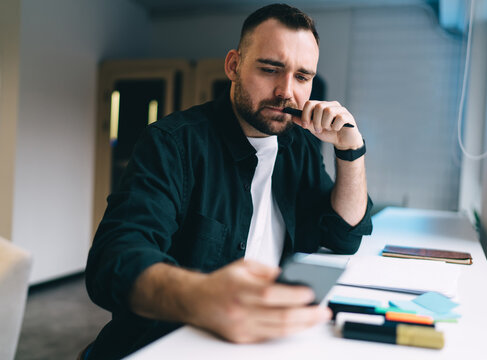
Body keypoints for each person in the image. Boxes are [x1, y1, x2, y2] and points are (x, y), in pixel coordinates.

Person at [84, 3, 372, 360]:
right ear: (233, 66)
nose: (286, 91)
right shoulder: (173, 142)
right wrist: (201, 296)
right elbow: (113, 260)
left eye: (302, 77)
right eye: (270, 69)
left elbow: (344, 236)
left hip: (259, 342)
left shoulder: (300, 146)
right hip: (163, 345)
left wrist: (351, 150)